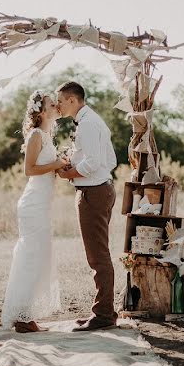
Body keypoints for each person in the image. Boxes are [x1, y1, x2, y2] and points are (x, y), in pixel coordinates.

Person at [1, 90, 68, 333]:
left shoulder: (48, 135)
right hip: (32, 205)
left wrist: (61, 165)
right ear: (42, 111)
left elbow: (48, 168)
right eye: (52, 104)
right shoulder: (36, 135)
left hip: (42, 204)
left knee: (39, 259)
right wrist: (57, 164)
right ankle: (21, 318)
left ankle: (25, 315)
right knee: (31, 259)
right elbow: (30, 170)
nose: (57, 107)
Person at [56, 81, 119, 332]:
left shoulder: (88, 124)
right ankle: (103, 311)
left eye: (60, 101)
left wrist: (69, 172)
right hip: (99, 189)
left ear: (72, 100)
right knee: (98, 254)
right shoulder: (92, 121)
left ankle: (103, 315)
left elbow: (92, 162)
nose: (58, 106)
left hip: (93, 192)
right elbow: (110, 159)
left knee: (98, 256)